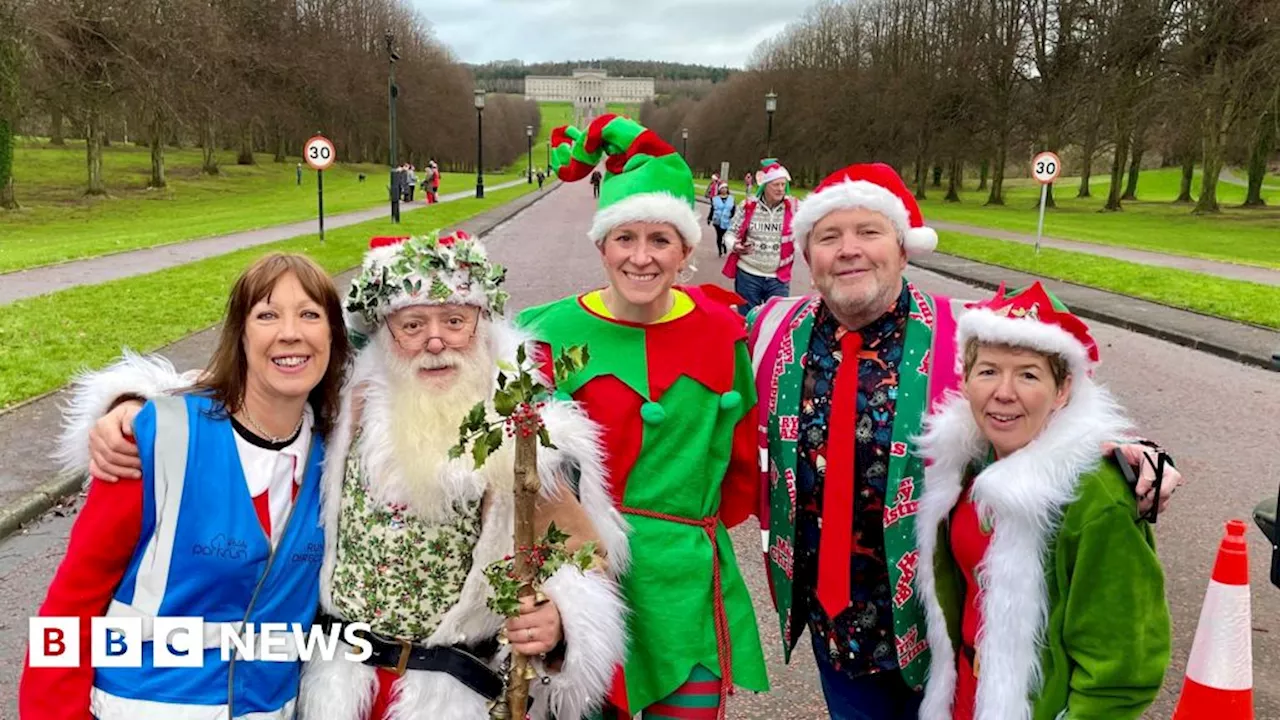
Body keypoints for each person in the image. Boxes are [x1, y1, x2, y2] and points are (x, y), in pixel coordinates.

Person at [72, 233, 631, 720]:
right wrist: (130, 404)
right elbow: (251, 385)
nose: (435, 342)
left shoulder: (527, 433)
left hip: (457, 692)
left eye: (454, 322)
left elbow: (582, 558)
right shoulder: (347, 408)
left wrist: (559, 627)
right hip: (335, 688)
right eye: (413, 324)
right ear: (386, 335)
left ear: (483, 327)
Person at [746, 163, 1185, 719]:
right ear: (808, 259)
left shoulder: (969, 331)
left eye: (869, 232)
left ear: (903, 250)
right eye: (829, 237)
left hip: (944, 630)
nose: (849, 249)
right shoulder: (769, 329)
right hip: (835, 634)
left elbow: (1061, 374)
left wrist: (1131, 449)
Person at [21, 252, 352, 719]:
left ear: (333, 337)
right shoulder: (156, 437)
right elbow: (72, 602)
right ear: (240, 334)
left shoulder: (336, 457)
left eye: (310, 315)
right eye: (267, 314)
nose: (290, 332)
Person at [522, 113, 768, 720]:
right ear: (601, 244)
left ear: (687, 250)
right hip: (581, 577)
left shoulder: (722, 330)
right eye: (624, 239)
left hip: (682, 580)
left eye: (660, 240)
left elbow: (738, 455)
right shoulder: (545, 334)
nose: (641, 257)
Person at [913, 281, 1171, 719]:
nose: (1004, 392)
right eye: (988, 370)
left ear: (1064, 389)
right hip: (963, 694)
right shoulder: (964, 465)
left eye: (1029, 374)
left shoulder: (1096, 497)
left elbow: (1122, 672)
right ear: (967, 378)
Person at [721, 159, 799, 317]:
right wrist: (734, 245)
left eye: (783, 185)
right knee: (747, 320)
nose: (780, 189)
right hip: (748, 274)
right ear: (765, 186)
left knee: (776, 323)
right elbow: (729, 233)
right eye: (775, 185)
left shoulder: (794, 208)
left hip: (778, 277)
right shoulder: (748, 206)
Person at [710, 183, 736, 258]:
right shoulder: (715, 199)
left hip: (727, 221)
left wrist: (732, 216)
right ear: (719, 189)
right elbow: (712, 209)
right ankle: (720, 251)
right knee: (719, 236)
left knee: (725, 236)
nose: (724, 189)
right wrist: (709, 218)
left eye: (725, 188)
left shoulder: (731, 198)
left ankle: (724, 246)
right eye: (722, 188)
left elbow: (733, 209)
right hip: (717, 221)